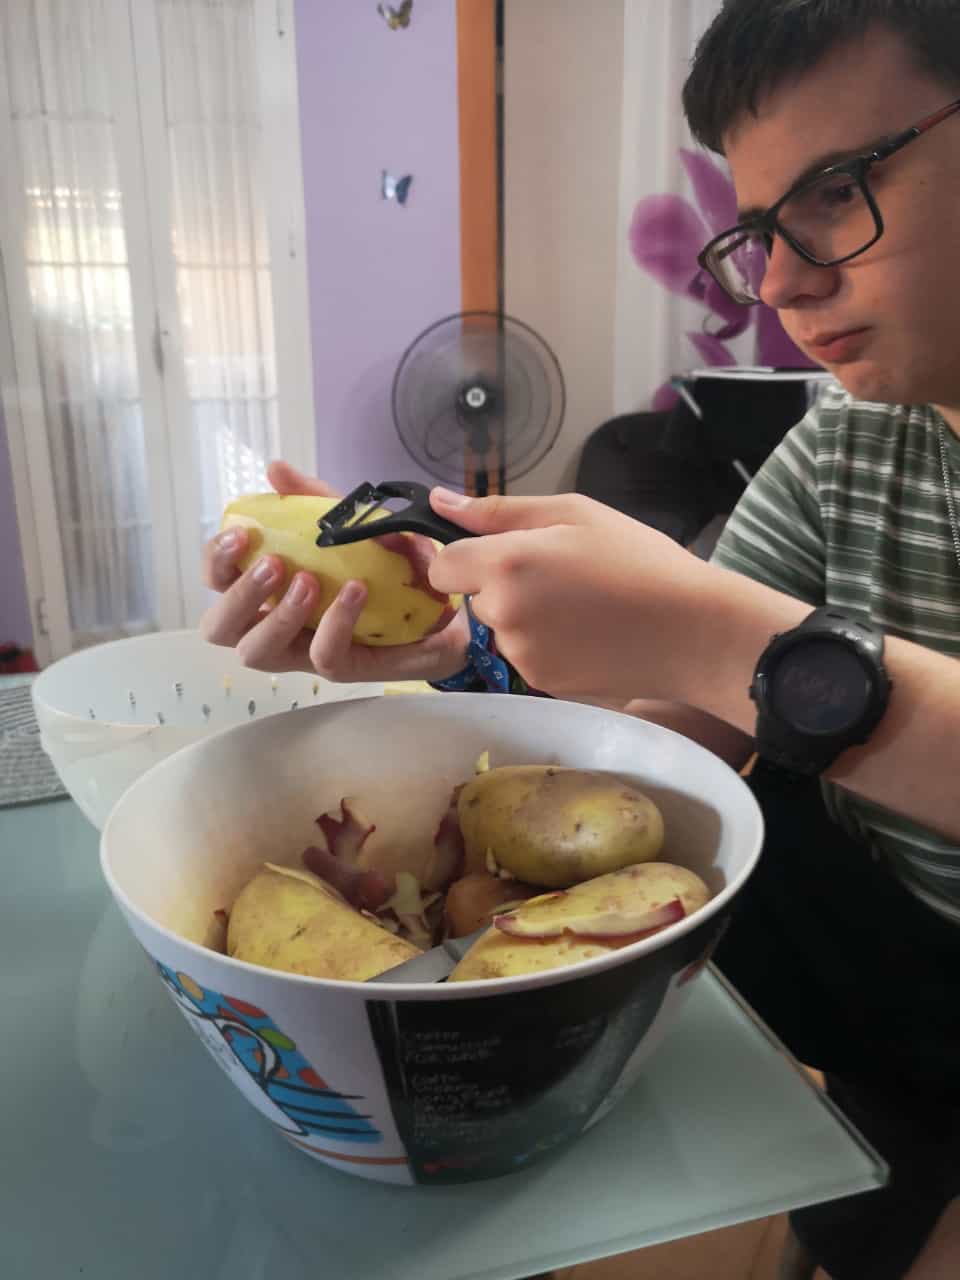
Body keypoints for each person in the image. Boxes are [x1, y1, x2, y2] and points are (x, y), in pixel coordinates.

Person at [201, 3, 960, 1275]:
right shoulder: (847, 442)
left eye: (838, 190)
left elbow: (729, 653)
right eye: (760, 231)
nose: (780, 286)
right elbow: (680, 745)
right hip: (891, 969)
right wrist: (469, 660)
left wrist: (723, 630)